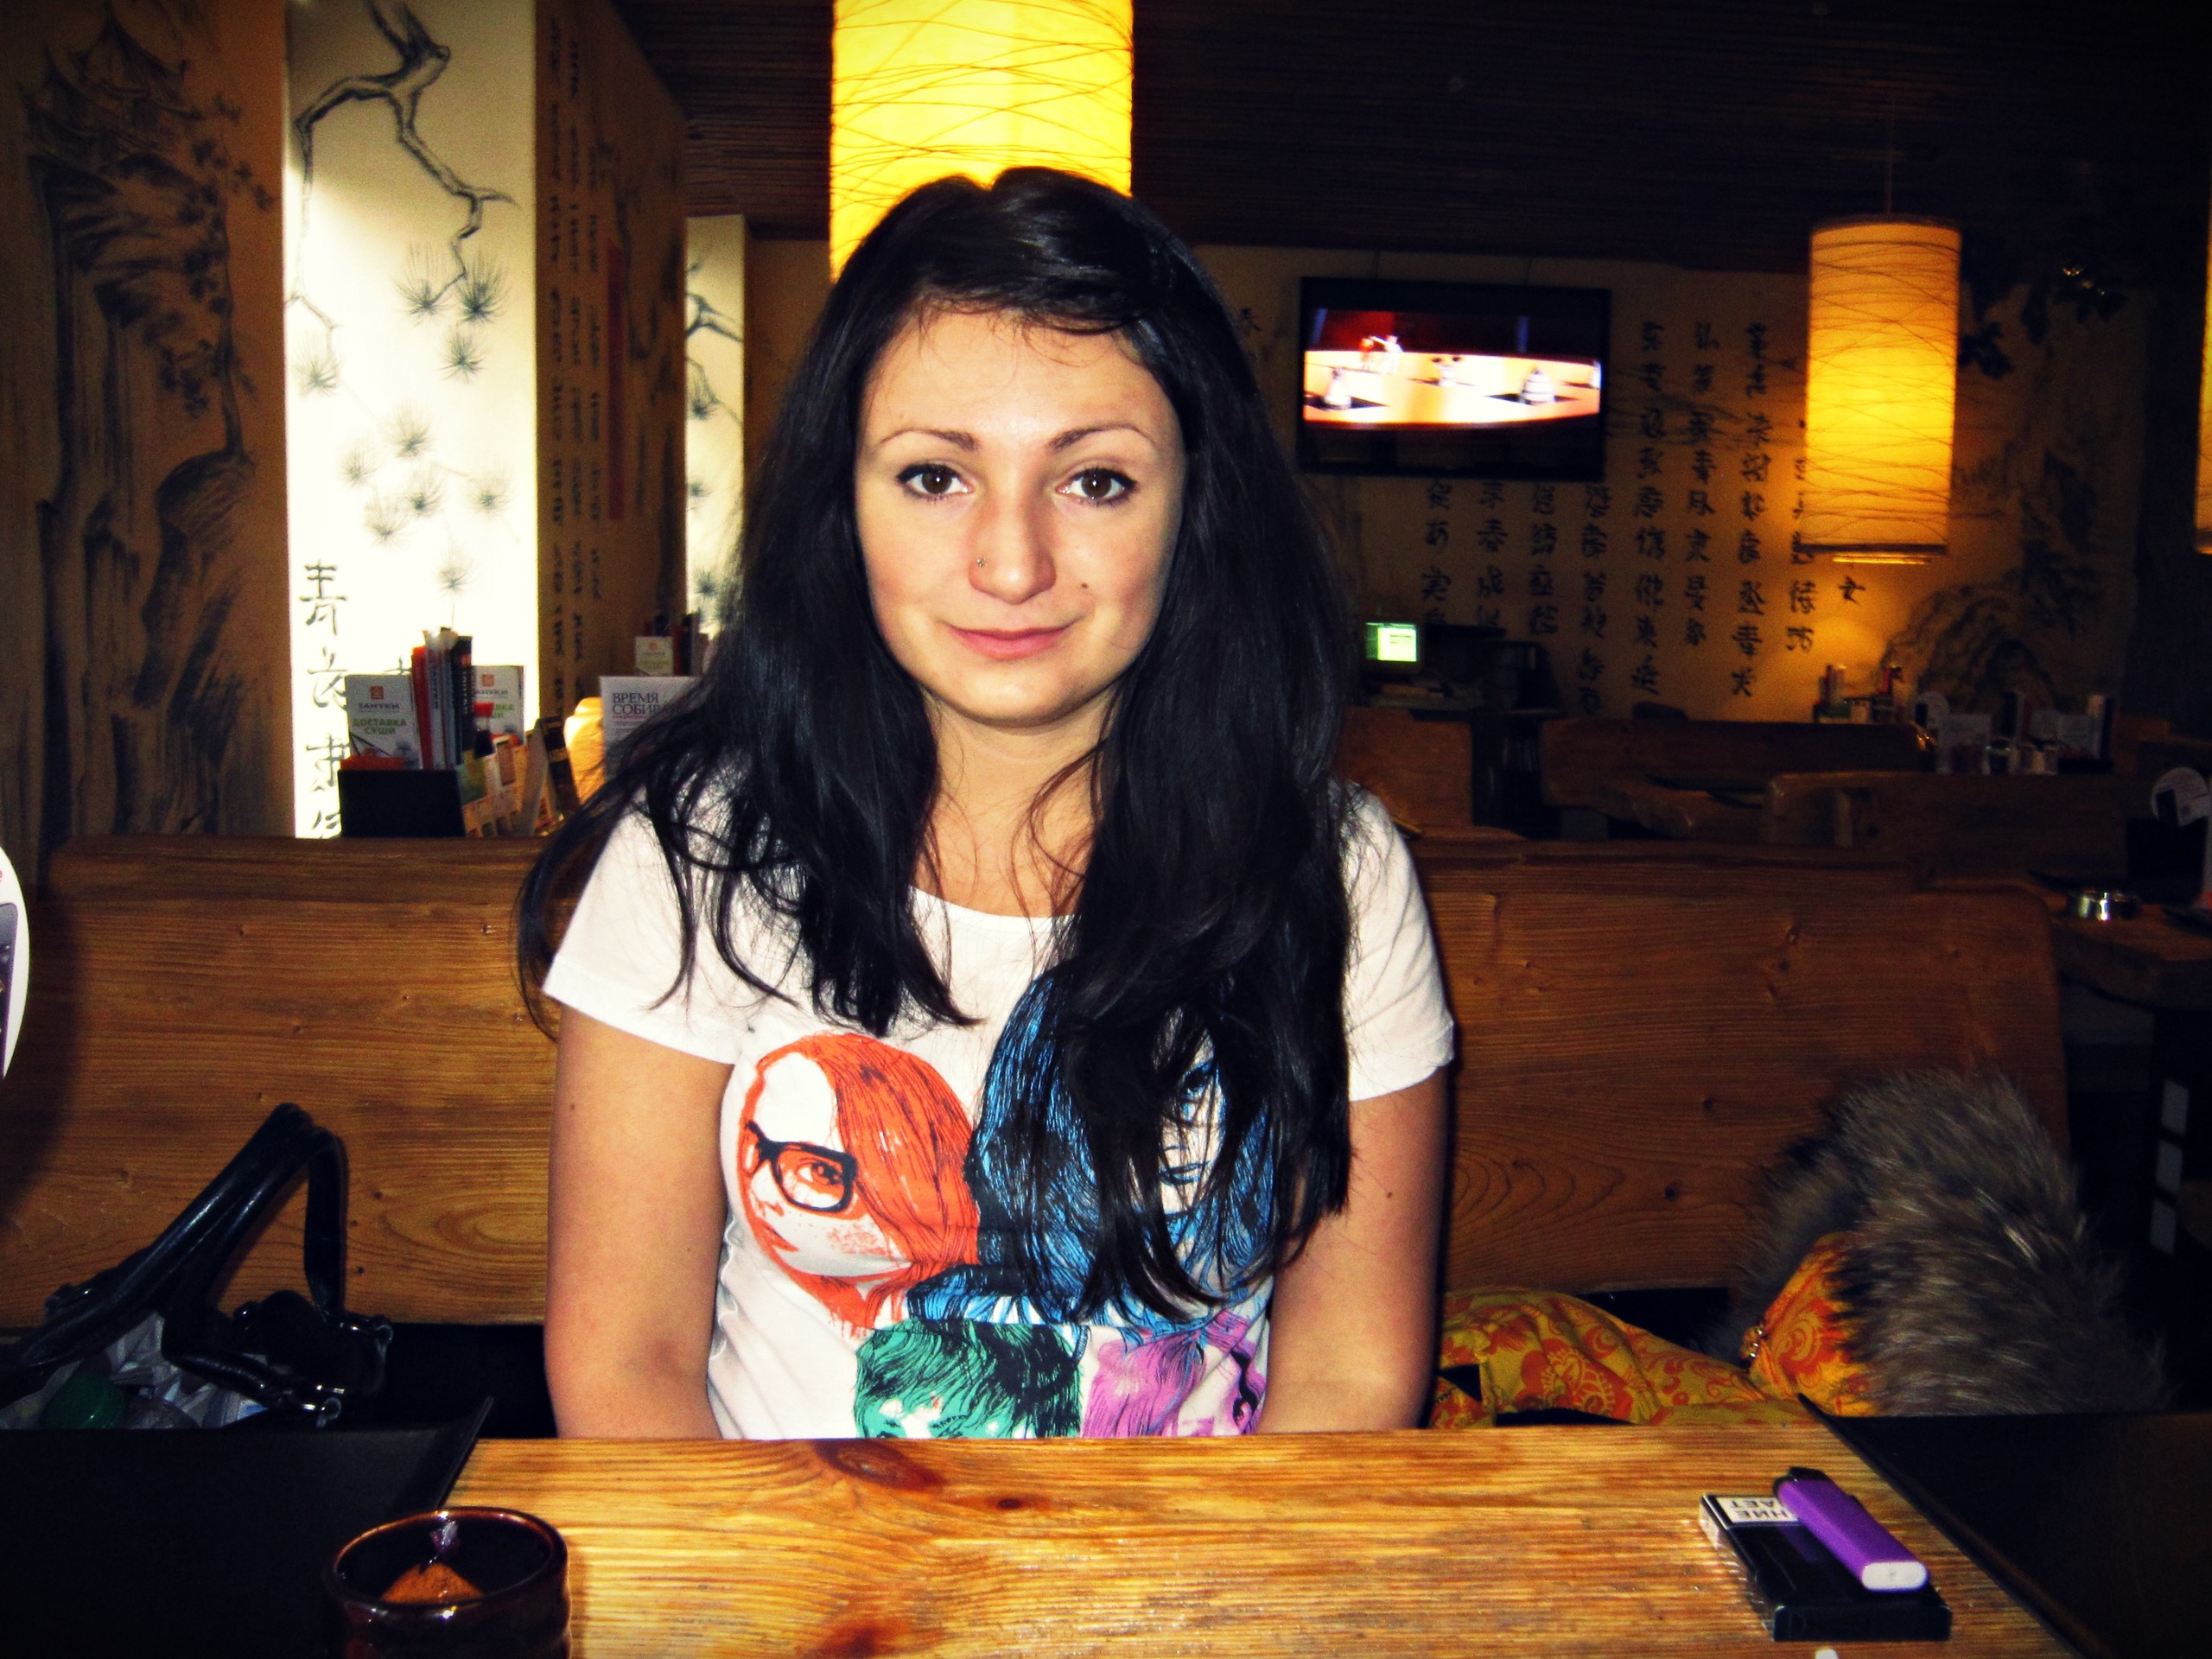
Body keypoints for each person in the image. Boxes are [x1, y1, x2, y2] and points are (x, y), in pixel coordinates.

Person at [520, 168, 1453, 1440]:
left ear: (1197, 510)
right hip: (786, 1559)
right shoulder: (701, 851)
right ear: (841, 505)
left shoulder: (1337, 872)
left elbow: (1348, 1378)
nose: (1012, 564)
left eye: (1097, 480)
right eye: (932, 477)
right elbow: (628, 1361)